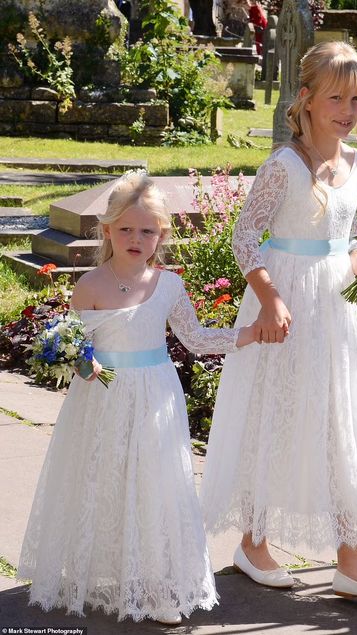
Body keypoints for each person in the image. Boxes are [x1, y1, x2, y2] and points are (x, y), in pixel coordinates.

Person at [200, 41, 357, 603]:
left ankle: (351, 560)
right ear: (305, 100)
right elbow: (244, 237)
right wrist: (271, 299)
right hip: (283, 302)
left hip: (336, 309)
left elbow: (344, 239)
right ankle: (253, 543)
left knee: (341, 420)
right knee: (273, 416)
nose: (349, 109)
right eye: (337, 97)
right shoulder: (283, 166)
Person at [17, 172, 259, 625]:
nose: (135, 238)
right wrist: (81, 363)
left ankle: (156, 584)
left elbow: (196, 337)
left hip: (155, 396)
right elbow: (76, 343)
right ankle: (101, 567)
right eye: (125, 228)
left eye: (147, 230)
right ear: (107, 230)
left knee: (155, 481)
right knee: (103, 475)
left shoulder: (168, 286)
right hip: (103, 397)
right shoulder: (90, 285)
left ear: (161, 235)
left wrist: (249, 333)